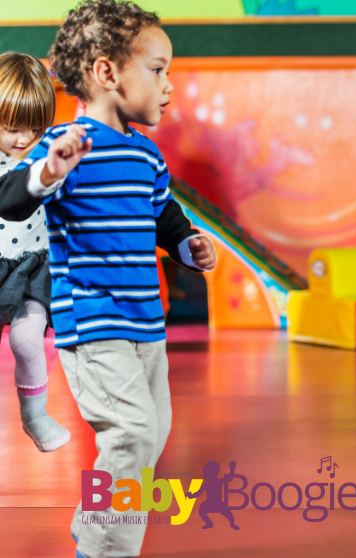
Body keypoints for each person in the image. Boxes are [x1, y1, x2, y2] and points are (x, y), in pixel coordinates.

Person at [0, 1, 217, 555]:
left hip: (146, 323)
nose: (168, 85)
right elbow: (10, 198)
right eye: (157, 69)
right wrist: (49, 171)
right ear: (106, 73)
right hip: (94, 323)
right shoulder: (65, 144)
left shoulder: (146, 154)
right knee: (132, 433)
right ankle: (104, 549)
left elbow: (165, 217)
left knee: (152, 434)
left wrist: (189, 247)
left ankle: (94, 523)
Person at [0, 52, 71, 452]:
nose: (24, 139)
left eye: (35, 128)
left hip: (30, 270)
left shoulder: (46, 157)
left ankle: (36, 416)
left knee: (27, 341)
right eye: (12, 128)